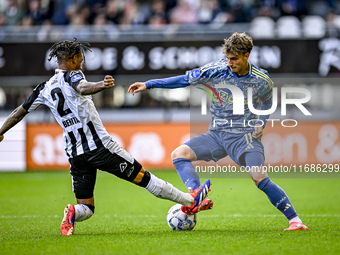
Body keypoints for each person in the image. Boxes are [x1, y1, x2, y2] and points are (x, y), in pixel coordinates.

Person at [0, 38, 211, 236]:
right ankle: (190, 200)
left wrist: (1, 131)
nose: (82, 64)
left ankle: (73, 211)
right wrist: (100, 85)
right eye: (80, 59)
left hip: (75, 154)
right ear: (73, 58)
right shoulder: (74, 75)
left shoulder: (44, 88)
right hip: (100, 148)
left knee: (87, 207)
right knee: (145, 178)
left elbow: (20, 111)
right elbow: (82, 87)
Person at [128, 32, 309, 231]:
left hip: (245, 137)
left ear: (246, 56)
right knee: (178, 154)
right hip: (217, 134)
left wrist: (261, 121)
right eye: (227, 58)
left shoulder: (262, 79)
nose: (229, 63)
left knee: (259, 177)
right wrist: (149, 84)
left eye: (234, 59)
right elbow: (185, 80)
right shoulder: (217, 70)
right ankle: (196, 195)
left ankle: (295, 220)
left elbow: (267, 101)